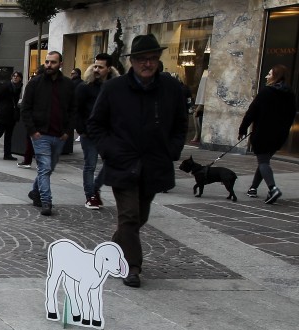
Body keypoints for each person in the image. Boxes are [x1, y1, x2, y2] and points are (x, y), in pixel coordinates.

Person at [88, 34, 187, 288]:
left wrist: (172, 150)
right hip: (123, 162)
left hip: (154, 164)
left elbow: (180, 124)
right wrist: (111, 150)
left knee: (140, 216)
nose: (148, 64)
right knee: (130, 216)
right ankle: (132, 266)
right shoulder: (114, 89)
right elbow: (96, 124)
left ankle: (111, 248)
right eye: (142, 59)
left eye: (153, 59)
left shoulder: (170, 88)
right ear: (132, 61)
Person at [21, 51, 75, 216]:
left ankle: (35, 192)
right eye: (47, 62)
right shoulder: (35, 83)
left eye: (53, 62)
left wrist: (67, 131)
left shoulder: (67, 84)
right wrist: (32, 131)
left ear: (60, 64)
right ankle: (47, 201)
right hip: (41, 134)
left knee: (48, 168)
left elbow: (74, 109)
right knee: (44, 167)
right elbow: (25, 108)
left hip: (59, 135)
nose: (49, 65)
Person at [239, 64, 296, 205]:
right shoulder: (290, 94)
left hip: (262, 134)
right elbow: (291, 115)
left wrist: (242, 129)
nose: (266, 76)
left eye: (269, 74)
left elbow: (251, 112)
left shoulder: (266, 92)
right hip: (279, 135)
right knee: (264, 161)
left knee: (263, 162)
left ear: (275, 77)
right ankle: (253, 188)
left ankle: (273, 188)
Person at [76, 54, 111, 209]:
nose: (96, 69)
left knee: (110, 163)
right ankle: (90, 195)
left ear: (108, 69)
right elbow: (76, 109)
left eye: (100, 67)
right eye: (95, 66)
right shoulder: (85, 87)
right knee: (90, 165)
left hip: (107, 134)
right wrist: (81, 130)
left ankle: (95, 188)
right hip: (89, 133)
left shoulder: (113, 87)